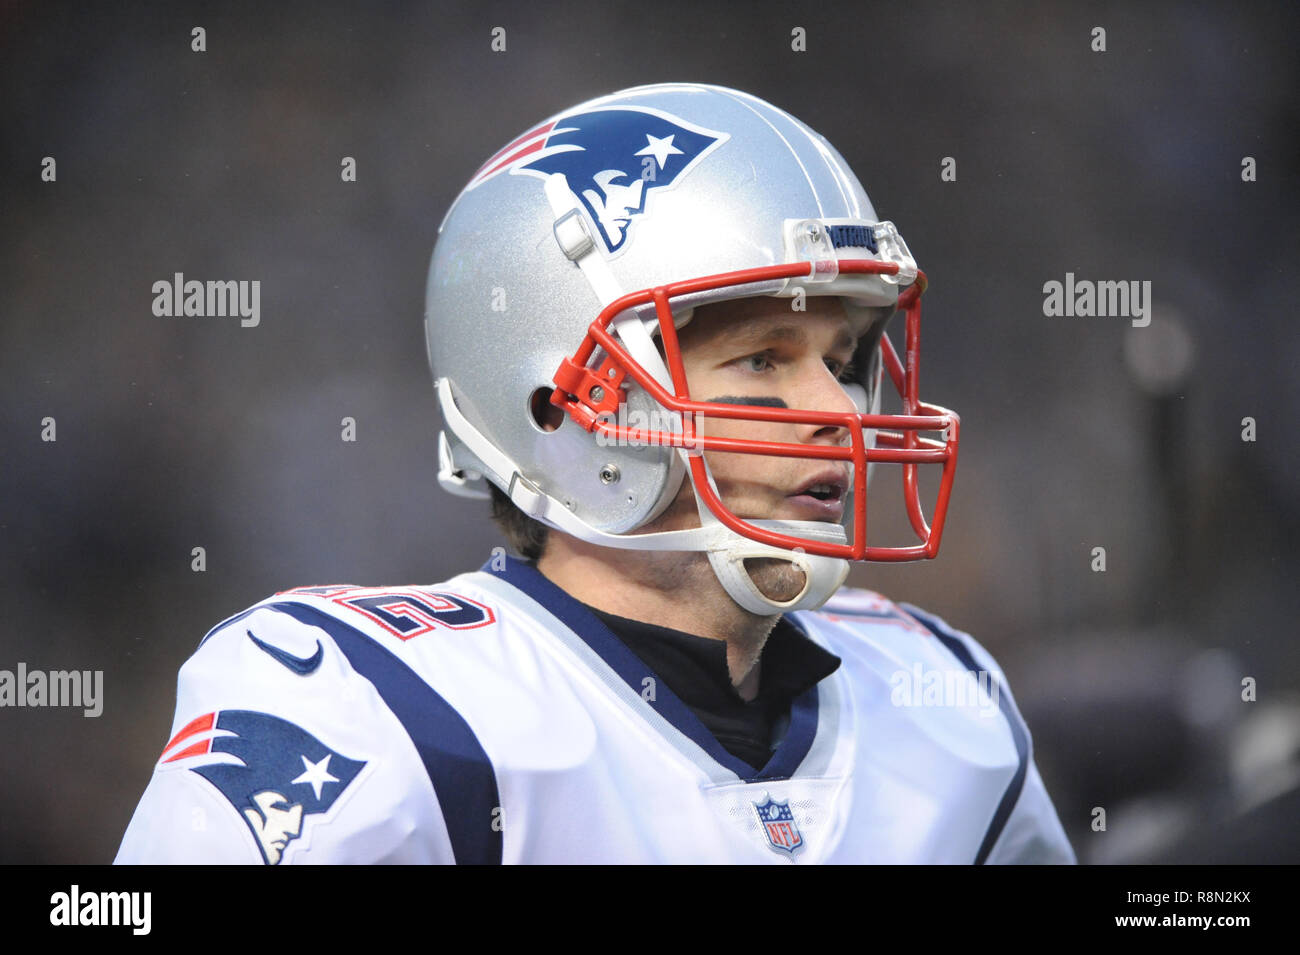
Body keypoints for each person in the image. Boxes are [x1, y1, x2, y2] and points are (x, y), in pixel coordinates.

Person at [116, 83, 1075, 864]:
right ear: (556, 405)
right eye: (764, 357)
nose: (839, 408)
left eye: (844, 355)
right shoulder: (376, 710)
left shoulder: (942, 703)